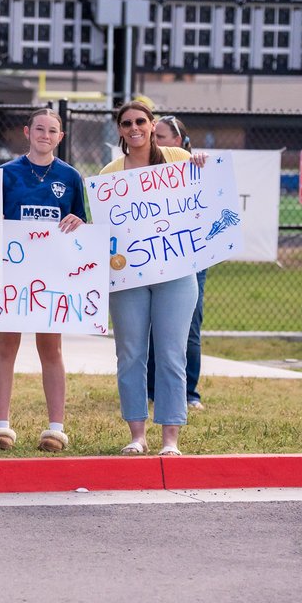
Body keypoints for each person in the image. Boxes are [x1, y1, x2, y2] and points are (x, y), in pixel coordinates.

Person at [102, 101, 200, 456]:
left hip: (175, 272)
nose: (134, 128)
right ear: (120, 129)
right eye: (126, 123)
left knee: (172, 354)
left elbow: (202, 194)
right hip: (128, 276)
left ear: (151, 123)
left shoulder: (176, 158)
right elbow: (103, 223)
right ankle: (137, 435)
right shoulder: (111, 171)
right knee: (129, 354)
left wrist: (202, 166)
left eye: (140, 121)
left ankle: (170, 439)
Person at [0, 108, 85, 452]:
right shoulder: (4, 174)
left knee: (51, 347)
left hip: (52, 274)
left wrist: (78, 223)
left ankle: (55, 428)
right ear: (27, 132)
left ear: (61, 137)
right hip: (12, 273)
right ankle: (1, 426)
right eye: (39, 129)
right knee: (5, 345)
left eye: (52, 130)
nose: (45, 135)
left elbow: (82, 227)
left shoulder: (71, 177)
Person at [146, 114, 206, 411]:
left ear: (178, 143)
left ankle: (189, 393)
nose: (152, 141)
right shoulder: (136, 172)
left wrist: (202, 163)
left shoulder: (191, 168)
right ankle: (152, 389)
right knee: (150, 324)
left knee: (188, 324)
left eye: (160, 136)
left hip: (187, 256)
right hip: (150, 255)